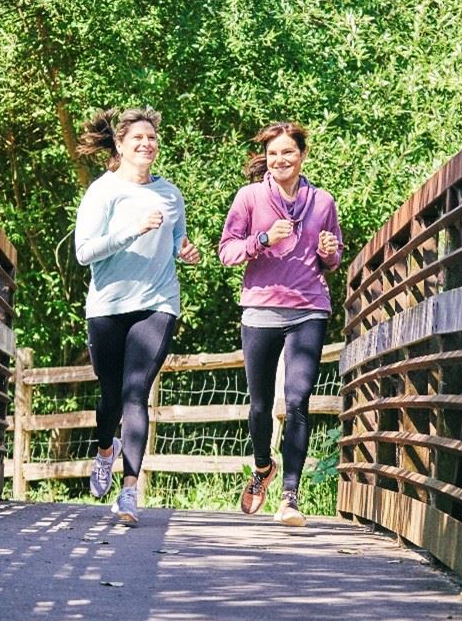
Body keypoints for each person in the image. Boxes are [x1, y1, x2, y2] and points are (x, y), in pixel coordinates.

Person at [74, 107, 201, 525]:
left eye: (152, 138)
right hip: (108, 306)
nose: (147, 144)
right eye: (138, 138)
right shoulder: (103, 191)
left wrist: (186, 251)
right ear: (120, 144)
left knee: (135, 393)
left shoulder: (171, 194)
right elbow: (84, 252)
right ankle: (104, 450)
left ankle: (129, 492)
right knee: (110, 397)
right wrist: (133, 229)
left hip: (158, 302)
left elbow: (177, 241)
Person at [219, 121, 343, 526]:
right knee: (259, 406)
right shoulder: (250, 197)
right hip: (260, 310)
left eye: (288, 152)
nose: (280, 160)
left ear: (302, 155)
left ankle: (290, 496)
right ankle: (262, 467)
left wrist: (329, 250)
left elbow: (333, 258)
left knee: (297, 400)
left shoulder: (322, 202)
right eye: (273, 153)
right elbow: (227, 252)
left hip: (308, 309)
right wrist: (263, 239)